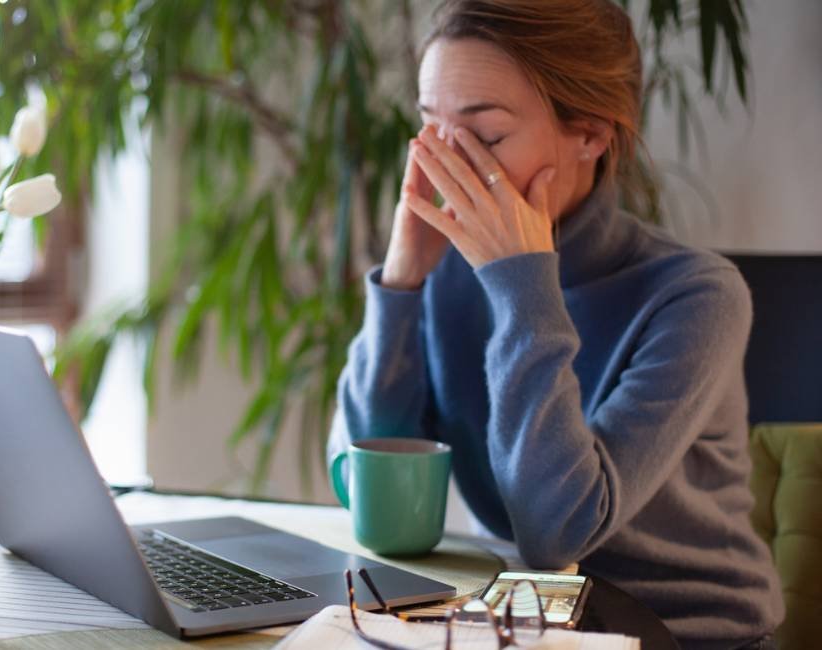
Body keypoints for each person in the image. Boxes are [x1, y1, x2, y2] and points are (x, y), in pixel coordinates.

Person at [326, 1, 783, 648]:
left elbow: (557, 532)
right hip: (528, 622)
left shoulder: (698, 297)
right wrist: (401, 283)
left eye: (486, 136)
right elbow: (366, 491)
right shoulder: (449, 271)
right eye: (429, 127)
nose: (444, 164)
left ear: (590, 134)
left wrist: (522, 288)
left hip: (687, 633)